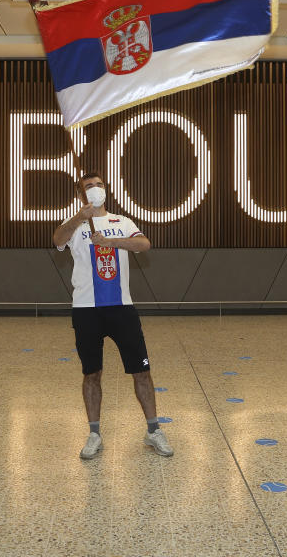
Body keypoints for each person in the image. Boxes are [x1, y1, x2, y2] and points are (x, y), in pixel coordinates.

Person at [52, 172, 174, 460]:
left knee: (141, 371)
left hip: (122, 308)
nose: (95, 190)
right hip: (86, 309)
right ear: (81, 194)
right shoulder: (75, 224)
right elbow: (57, 239)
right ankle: (94, 433)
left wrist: (111, 242)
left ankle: (153, 430)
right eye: (88, 187)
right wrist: (78, 218)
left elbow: (144, 244)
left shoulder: (122, 222)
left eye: (99, 185)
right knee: (91, 373)